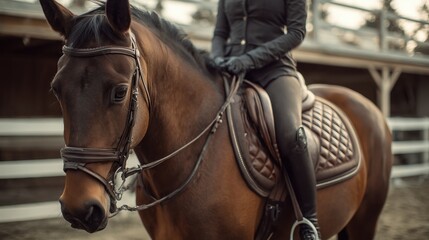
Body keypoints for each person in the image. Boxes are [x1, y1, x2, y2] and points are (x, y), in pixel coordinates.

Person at [210, 0, 321, 239]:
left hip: (275, 70)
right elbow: (220, 33)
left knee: (291, 134)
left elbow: (296, 32)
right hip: (230, 67)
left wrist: (250, 59)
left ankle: (309, 221)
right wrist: (216, 58)